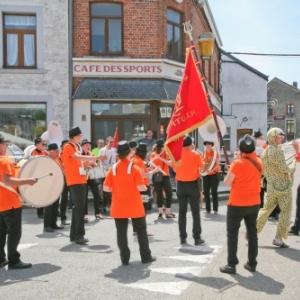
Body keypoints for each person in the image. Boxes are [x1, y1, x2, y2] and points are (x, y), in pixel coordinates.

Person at [103, 141, 156, 265]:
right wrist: (143, 188)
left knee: (121, 232)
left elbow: (106, 188)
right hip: (134, 204)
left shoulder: (113, 168)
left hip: (118, 205)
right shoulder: (134, 168)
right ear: (129, 152)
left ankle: (125, 259)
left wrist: (116, 189)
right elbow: (140, 187)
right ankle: (145, 257)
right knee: (141, 230)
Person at [219, 135, 262, 274]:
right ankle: (252, 262)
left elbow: (227, 182)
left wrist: (232, 168)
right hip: (254, 202)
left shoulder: (238, 163)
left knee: (232, 235)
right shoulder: (259, 161)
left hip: (237, 203)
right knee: (252, 233)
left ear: (241, 149)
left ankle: (231, 264)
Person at [63, 127, 106, 245]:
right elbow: (78, 158)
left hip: (81, 179)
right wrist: (96, 157)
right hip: (75, 180)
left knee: (78, 208)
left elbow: (80, 162)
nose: (81, 138)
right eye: (80, 136)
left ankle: (74, 235)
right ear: (75, 136)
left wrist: (89, 164)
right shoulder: (68, 147)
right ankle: (79, 235)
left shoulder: (76, 147)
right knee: (80, 208)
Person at [0, 134, 38, 269]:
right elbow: (7, 181)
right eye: (4, 144)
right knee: (14, 231)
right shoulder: (4, 161)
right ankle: (14, 260)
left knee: (1, 231)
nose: (5, 147)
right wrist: (28, 181)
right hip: (10, 201)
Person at [256, 128, 295, 248]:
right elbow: (285, 169)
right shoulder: (277, 151)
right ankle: (278, 238)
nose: (282, 138)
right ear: (273, 137)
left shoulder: (266, 151)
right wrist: (294, 164)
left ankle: (252, 233)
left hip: (271, 185)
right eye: (279, 136)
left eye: (282, 136)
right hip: (283, 186)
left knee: (266, 210)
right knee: (286, 211)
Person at [173, 135, 205, 245]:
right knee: (195, 212)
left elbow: (174, 168)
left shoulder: (176, 155)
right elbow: (203, 167)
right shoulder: (195, 155)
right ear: (190, 144)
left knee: (182, 212)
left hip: (181, 184)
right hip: (193, 185)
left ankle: (182, 237)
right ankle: (197, 238)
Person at [131, 142, 161, 236]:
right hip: (143, 187)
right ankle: (142, 230)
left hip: (135, 187)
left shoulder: (133, 159)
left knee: (135, 208)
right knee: (143, 209)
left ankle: (135, 229)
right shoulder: (139, 161)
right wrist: (154, 171)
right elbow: (143, 175)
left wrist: (149, 169)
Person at [150, 140, 175, 219]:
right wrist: (153, 166)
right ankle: (160, 212)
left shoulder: (166, 154)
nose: (165, 147)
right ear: (160, 147)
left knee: (169, 193)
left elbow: (170, 164)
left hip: (165, 175)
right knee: (159, 194)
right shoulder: (153, 154)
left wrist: (161, 159)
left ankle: (167, 212)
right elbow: (151, 166)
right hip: (157, 175)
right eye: (163, 146)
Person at [43, 143, 64, 232]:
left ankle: (53, 223)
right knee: (48, 207)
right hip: (49, 186)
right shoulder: (47, 160)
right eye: (56, 151)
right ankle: (47, 225)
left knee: (55, 206)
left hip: (56, 186)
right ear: (51, 151)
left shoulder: (57, 160)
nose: (58, 152)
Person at [81, 139, 104, 221]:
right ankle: (85, 214)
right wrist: (87, 164)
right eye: (86, 145)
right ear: (82, 146)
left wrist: (93, 164)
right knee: (84, 196)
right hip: (83, 177)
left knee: (97, 194)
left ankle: (97, 212)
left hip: (91, 176)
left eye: (89, 145)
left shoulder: (91, 153)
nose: (88, 146)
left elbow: (94, 163)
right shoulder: (79, 154)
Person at [31, 137, 49, 219]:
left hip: (45, 174)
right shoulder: (34, 153)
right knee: (40, 194)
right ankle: (40, 212)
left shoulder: (44, 152)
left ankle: (45, 210)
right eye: (42, 144)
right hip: (38, 175)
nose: (44, 145)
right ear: (37, 144)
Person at [99, 136, 117, 213]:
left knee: (112, 189)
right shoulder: (102, 150)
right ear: (106, 142)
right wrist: (102, 167)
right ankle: (104, 205)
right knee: (105, 189)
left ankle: (111, 205)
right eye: (110, 142)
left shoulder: (115, 150)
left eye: (112, 142)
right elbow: (100, 161)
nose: (112, 144)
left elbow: (116, 160)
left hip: (112, 171)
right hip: (104, 171)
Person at [202, 141, 220, 214]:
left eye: (209, 144)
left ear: (211, 145)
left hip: (214, 174)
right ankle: (207, 209)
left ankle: (215, 209)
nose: (207, 145)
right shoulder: (204, 152)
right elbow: (203, 162)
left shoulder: (215, 153)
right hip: (206, 174)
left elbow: (218, 164)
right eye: (206, 144)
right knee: (206, 192)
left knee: (214, 192)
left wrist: (212, 170)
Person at [58, 139, 70, 226]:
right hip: (64, 179)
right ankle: (63, 218)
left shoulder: (71, 155)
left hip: (72, 178)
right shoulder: (59, 156)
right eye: (65, 146)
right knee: (64, 199)